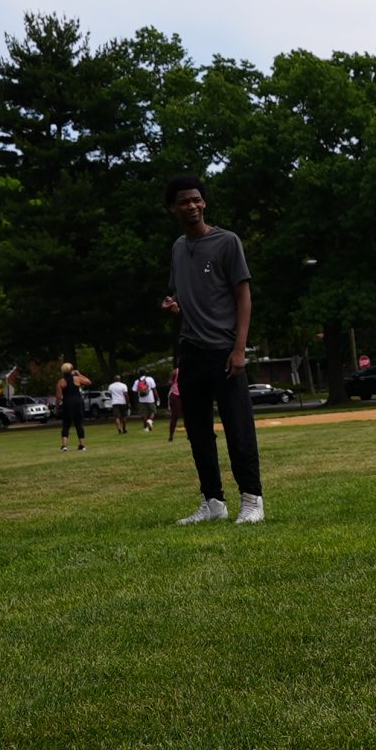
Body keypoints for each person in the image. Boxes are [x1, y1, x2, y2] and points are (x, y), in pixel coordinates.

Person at [162, 176, 264, 525]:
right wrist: (175, 306)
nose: (191, 206)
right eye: (184, 201)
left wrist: (239, 349)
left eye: (196, 199)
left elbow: (243, 297)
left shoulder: (227, 242)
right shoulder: (178, 248)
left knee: (238, 428)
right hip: (191, 352)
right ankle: (213, 502)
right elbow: (185, 294)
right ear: (173, 208)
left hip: (224, 351)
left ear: (204, 203)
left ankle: (252, 500)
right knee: (198, 432)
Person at [55, 362, 90, 452]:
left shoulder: (61, 382)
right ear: (71, 370)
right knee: (79, 424)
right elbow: (88, 382)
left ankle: (64, 446)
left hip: (67, 403)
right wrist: (79, 374)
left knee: (66, 424)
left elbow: (58, 397)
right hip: (78, 402)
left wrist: (57, 408)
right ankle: (82, 445)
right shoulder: (77, 379)